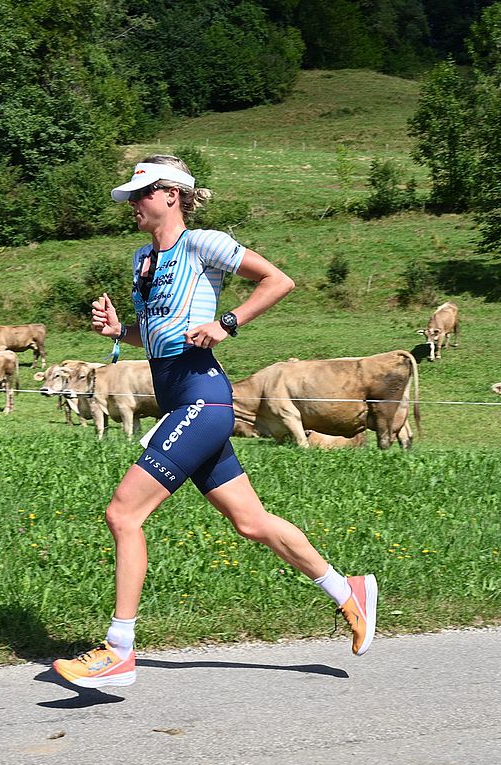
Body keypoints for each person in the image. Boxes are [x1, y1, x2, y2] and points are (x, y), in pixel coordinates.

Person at [51, 155, 377, 689]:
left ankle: (119, 649)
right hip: (182, 400)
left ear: (172, 195)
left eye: (140, 194)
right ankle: (349, 591)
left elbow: (278, 280)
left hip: (202, 400)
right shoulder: (141, 258)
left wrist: (228, 323)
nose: (132, 204)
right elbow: (157, 333)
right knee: (251, 523)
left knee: (123, 515)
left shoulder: (204, 244)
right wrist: (118, 331)